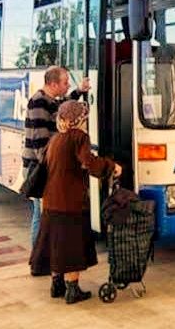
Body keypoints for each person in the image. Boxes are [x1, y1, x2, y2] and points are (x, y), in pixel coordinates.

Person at [29, 101, 122, 303]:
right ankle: (73, 290)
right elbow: (88, 162)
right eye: (84, 118)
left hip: (51, 201)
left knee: (55, 244)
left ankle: (57, 285)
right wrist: (111, 166)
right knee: (71, 245)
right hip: (70, 202)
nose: (86, 122)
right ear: (78, 120)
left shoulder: (55, 140)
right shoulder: (79, 137)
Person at [22, 66, 91, 249]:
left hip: (45, 165)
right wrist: (56, 163)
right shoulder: (39, 102)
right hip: (39, 167)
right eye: (65, 82)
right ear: (53, 84)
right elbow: (39, 143)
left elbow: (65, 105)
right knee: (42, 213)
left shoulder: (51, 101)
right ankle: (38, 258)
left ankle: (40, 257)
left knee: (43, 213)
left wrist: (79, 91)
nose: (68, 85)